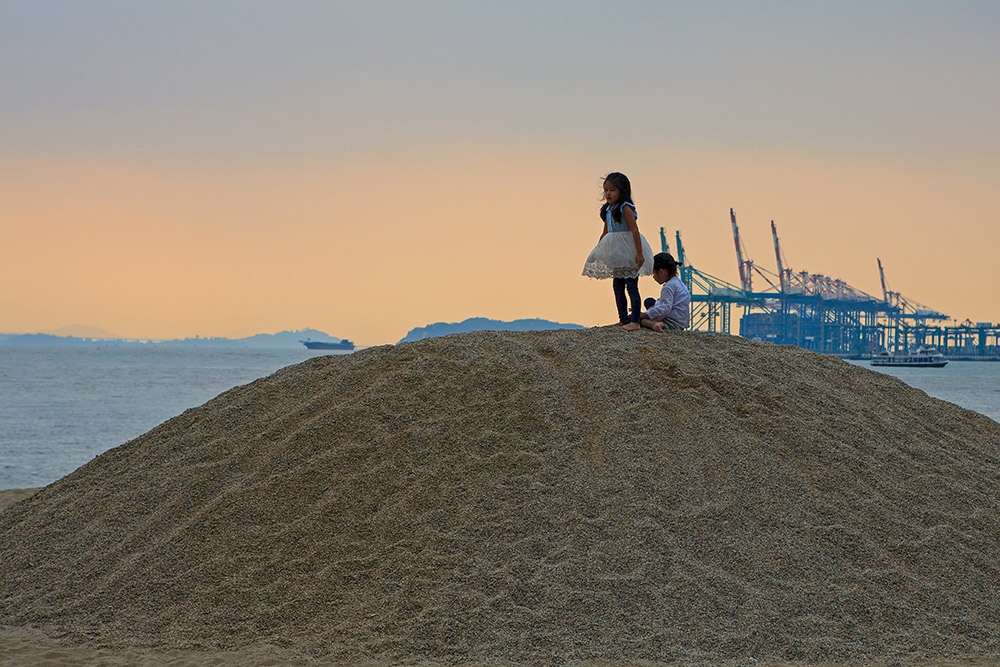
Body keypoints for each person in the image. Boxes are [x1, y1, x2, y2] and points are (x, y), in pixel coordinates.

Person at [581, 172, 654, 331]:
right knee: (617, 285)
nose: (608, 193)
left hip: (629, 251)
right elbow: (606, 232)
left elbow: (634, 230)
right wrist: (599, 251)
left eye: (612, 190)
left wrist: (639, 253)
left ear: (622, 190)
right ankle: (623, 319)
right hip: (616, 253)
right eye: (606, 190)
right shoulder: (607, 209)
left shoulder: (625, 208)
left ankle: (635, 321)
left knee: (632, 286)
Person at [641, 252, 690, 332]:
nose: (653, 277)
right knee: (649, 302)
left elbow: (665, 308)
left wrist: (646, 314)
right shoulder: (679, 284)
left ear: (661, 272)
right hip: (681, 323)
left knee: (640, 320)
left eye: (654, 273)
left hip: (671, 322)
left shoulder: (668, 287)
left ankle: (656, 325)